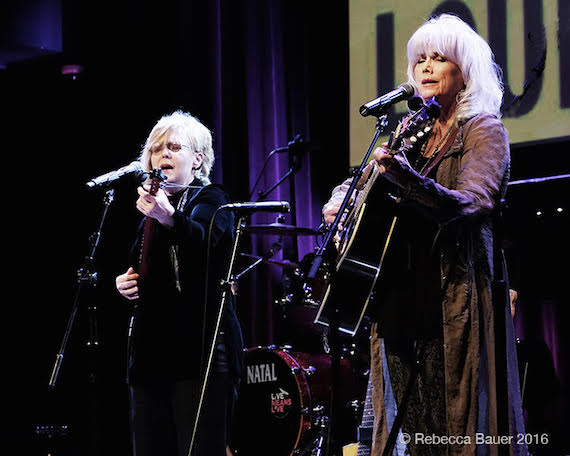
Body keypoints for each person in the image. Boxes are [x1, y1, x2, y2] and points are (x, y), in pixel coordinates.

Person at [322, 14, 526, 456]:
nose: (426, 68)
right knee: (416, 436)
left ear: (464, 69)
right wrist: (340, 201)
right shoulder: (408, 132)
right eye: (419, 60)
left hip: (453, 296)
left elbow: (474, 201)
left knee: (460, 429)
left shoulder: (484, 130)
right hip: (399, 297)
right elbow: (360, 182)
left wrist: (408, 179)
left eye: (439, 58)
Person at [115, 110, 244, 456]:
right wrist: (122, 282)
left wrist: (168, 215)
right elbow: (139, 268)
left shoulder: (212, 199)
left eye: (174, 147)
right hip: (151, 356)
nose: (164, 155)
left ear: (198, 159)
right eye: (157, 149)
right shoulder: (152, 210)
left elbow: (203, 242)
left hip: (199, 353)